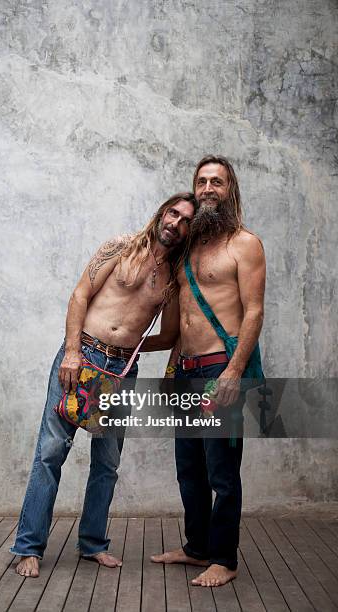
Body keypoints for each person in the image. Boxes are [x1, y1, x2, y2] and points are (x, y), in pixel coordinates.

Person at [10, 192, 197, 577]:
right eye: (173, 213)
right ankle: (28, 547)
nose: (175, 223)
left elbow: (170, 334)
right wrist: (72, 352)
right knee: (50, 452)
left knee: (107, 462)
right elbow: (80, 294)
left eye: (185, 221)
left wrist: (131, 345)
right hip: (82, 356)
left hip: (120, 372)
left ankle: (92, 543)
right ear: (162, 211)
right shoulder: (120, 246)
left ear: (188, 230)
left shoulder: (173, 281)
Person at [143, 155, 266, 587]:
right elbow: (180, 323)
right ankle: (197, 548)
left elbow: (253, 313)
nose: (209, 188)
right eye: (202, 181)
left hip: (219, 368)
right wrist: (170, 364)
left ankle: (225, 559)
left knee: (221, 471)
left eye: (217, 181)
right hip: (186, 369)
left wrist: (234, 372)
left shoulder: (244, 244)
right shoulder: (186, 249)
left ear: (229, 190)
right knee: (188, 467)